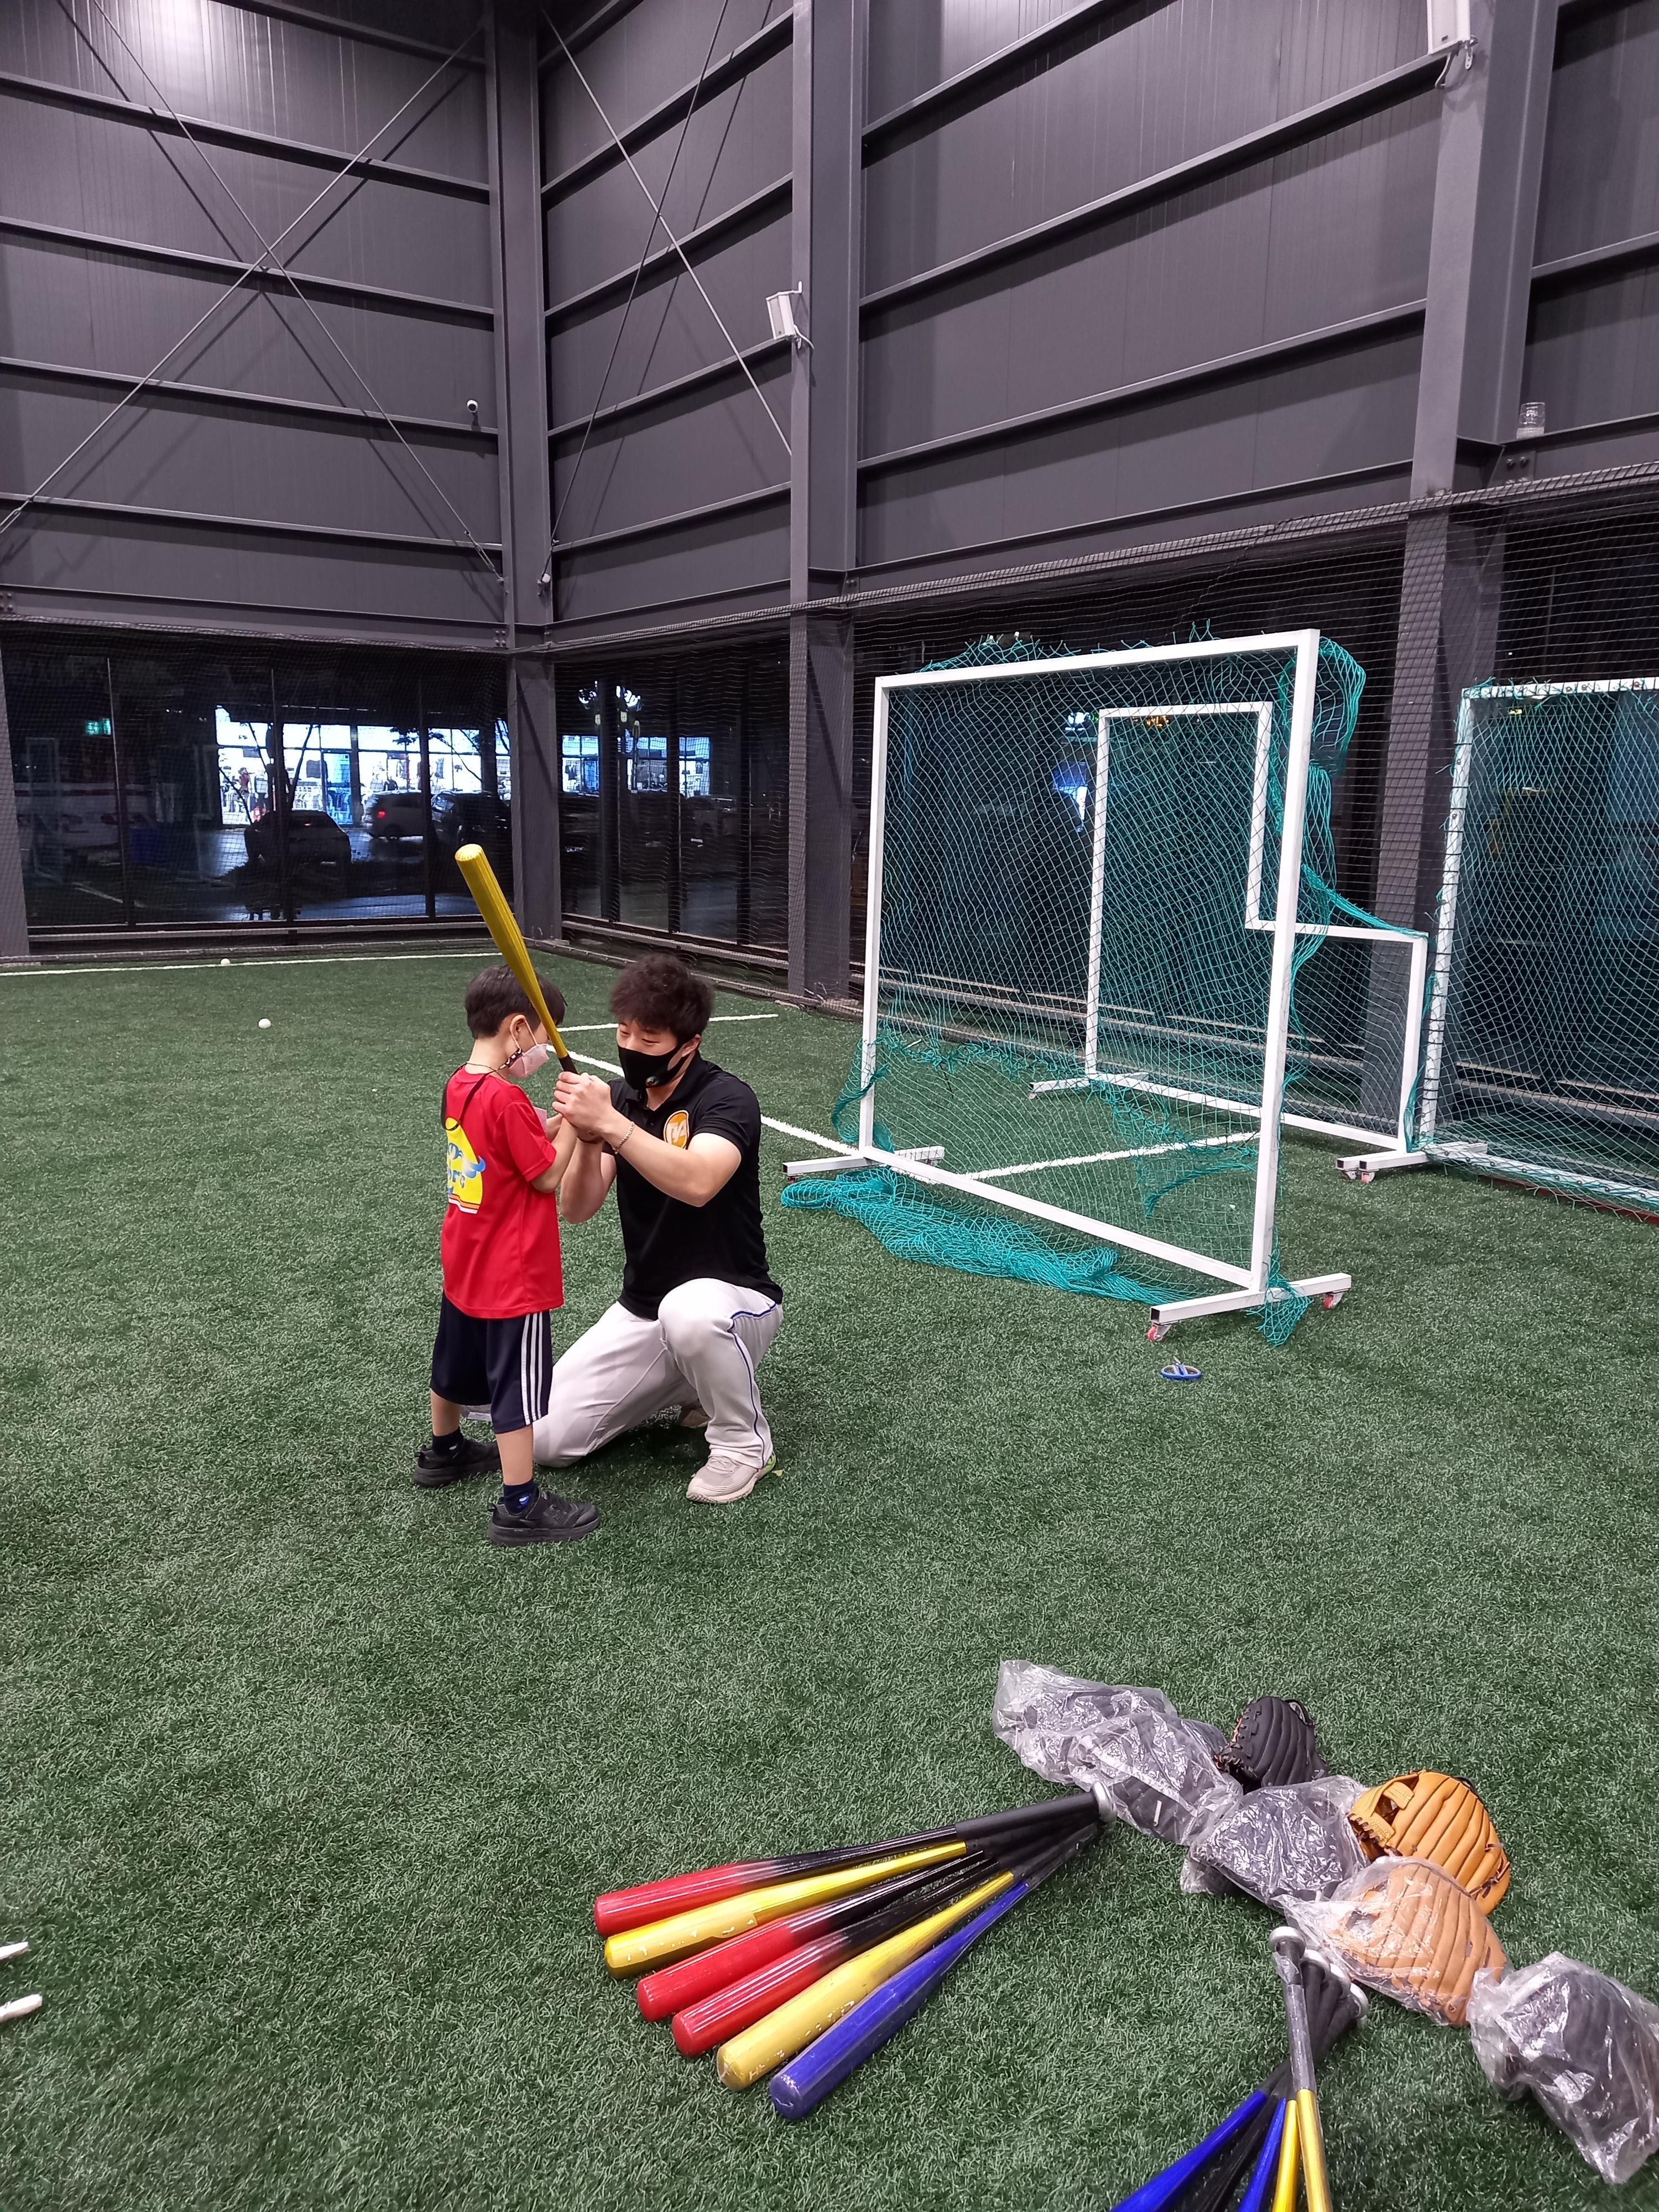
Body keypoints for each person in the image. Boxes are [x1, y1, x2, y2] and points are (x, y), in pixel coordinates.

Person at [540, 953, 782, 1504]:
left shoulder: (727, 1098)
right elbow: (577, 1208)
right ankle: (690, 1382)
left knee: (689, 1313)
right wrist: (589, 1138)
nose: (632, 1046)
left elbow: (699, 1181)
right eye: (624, 1032)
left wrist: (610, 1123)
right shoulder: (620, 1099)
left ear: (689, 1044)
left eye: (649, 1039)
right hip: (643, 1308)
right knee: (548, 1439)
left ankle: (744, 1445)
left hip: (735, 1302)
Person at [418, 964, 599, 1548]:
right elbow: (545, 1176)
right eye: (543, 1036)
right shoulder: (507, 1096)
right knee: (515, 1389)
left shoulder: (461, 1084)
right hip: (512, 1273)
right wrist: (575, 1124)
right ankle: (520, 1504)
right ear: (518, 1029)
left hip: (466, 1259)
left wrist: (549, 1122)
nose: (543, 1048)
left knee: (452, 1360)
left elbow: (507, 1147)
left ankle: (445, 1450)